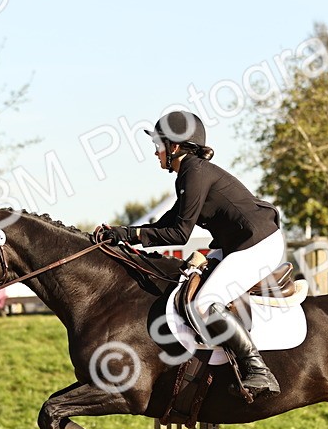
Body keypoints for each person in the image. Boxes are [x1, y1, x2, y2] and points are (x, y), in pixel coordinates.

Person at [93, 110, 282, 397]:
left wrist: (132, 235)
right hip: (236, 244)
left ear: (176, 146)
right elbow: (166, 224)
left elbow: (179, 234)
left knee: (204, 303)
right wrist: (123, 234)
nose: (156, 152)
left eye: (159, 145)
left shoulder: (195, 172)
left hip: (258, 243)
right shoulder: (189, 173)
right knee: (186, 284)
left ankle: (258, 370)